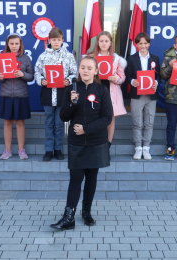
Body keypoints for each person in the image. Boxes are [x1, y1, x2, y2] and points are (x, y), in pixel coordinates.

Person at [50, 56, 112, 230]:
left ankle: (86, 212)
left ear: (96, 71)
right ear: (79, 70)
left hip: (96, 141)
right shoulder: (71, 88)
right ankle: (68, 217)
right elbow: (63, 116)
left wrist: (87, 128)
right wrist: (71, 103)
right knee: (75, 178)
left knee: (92, 178)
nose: (85, 71)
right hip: (77, 142)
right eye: (82, 67)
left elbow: (107, 117)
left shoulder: (102, 90)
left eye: (89, 68)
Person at [35, 28, 77, 162]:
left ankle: (58, 149)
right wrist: (41, 80)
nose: (56, 42)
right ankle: (48, 150)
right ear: (49, 40)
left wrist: (68, 80)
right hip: (48, 93)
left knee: (59, 123)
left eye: (59, 40)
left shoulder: (68, 56)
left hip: (62, 94)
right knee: (49, 123)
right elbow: (37, 72)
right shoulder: (43, 56)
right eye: (54, 40)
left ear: (62, 40)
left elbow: (74, 73)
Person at [0, 33, 34, 159]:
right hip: (6, 94)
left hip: (20, 95)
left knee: (20, 122)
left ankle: (21, 150)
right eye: (11, 44)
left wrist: (22, 74)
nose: (14, 46)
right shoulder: (2, 57)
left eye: (16, 43)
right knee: (7, 122)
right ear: (7, 44)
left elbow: (31, 76)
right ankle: (8, 150)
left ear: (20, 44)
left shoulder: (26, 58)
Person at [87, 31, 127, 146]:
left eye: (106, 41)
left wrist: (115, 78)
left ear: (110, 43)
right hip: (94, 91)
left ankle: (108, 143)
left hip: (111, 92)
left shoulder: (116, 59)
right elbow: (84, 74)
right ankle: (96, 141)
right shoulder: (90, 57)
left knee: (110, 118)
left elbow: (122, 77)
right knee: (95, 116)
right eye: (101, 41)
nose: (104, 44)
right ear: (97, 43)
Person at [125, 32, 160, 160]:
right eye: (141, 43)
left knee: (149, 122)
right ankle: (138, 148)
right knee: (137, 123)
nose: (143, 45)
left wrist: (156, 82)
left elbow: (158, 75)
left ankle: (146, 147)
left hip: (151, 95)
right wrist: (132, 81)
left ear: (149, 44)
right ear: (137, 44)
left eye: (145, 43)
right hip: (136, 95)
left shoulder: (155, 58)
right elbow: (127, 75)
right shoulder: (131, 58)